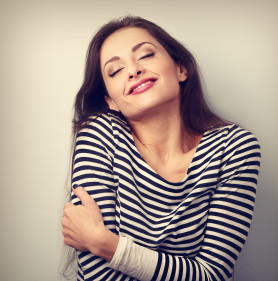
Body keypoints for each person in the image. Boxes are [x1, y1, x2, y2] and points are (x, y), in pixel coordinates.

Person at [61, 15, 261, 281]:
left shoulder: (234, 148)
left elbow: (213, 274)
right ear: (111, 101)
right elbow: (99, 274)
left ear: (181, 69)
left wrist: (107, 245)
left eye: (145, 55)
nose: (133, 70)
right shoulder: (99, 132)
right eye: (115, 70)